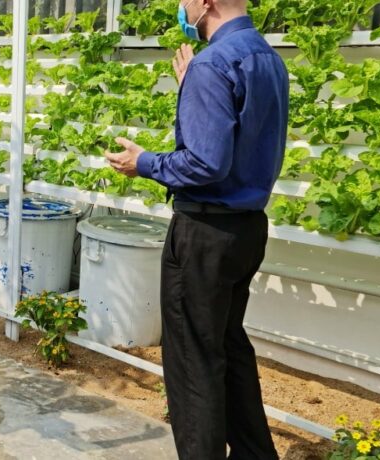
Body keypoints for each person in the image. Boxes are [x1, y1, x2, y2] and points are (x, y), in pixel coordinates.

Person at [104, 1, 288, 458]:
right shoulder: (266, 57)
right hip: (246, 231)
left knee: (193, 363)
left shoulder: (214, 63)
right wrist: (196, 92)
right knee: (229, 348)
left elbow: (205, 162)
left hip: (205, 232)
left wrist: (142, 162)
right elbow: (239, 134)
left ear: (205, 2)